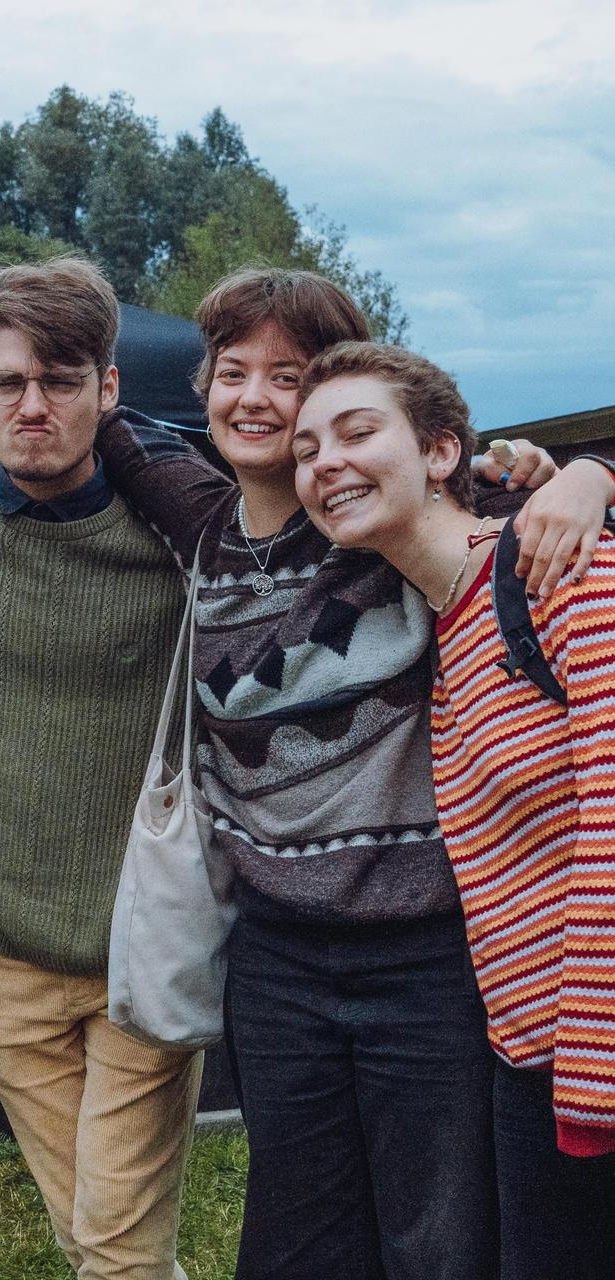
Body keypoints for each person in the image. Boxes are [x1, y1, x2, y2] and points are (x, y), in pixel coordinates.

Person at [0, 267, 615, 1278]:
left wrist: (583, 471)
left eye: (291, 377)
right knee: (299, 1236)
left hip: (426, 952)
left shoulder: (377, 522)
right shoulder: (200, 521)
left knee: (438, 1238)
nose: (257, 398)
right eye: (233, 372)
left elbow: (486, 489)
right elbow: (80, 412)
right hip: (275, 952)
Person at [0, 257, 200, 1280]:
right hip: (3, 959)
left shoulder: (185, 532)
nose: (33, 404)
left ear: (110, 390)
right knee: (95, 1241)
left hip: (144, 946)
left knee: (113, 1248)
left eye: (63, 380)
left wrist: (575, 469)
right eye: (7, 383)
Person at [292, 341, 615, 1280]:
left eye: (357, 433)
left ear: (441, 453)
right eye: (310, 450)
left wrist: (586, 1088)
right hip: (535, 1061)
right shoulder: (448, 616)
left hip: (591, 1064)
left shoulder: (562, 572)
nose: (326, 464)